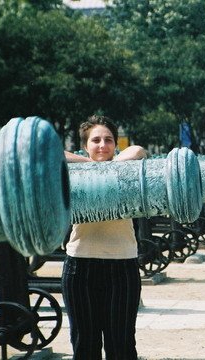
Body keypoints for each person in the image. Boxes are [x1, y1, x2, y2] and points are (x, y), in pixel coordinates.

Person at [62, 115, 147, 360]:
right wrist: (90, 165)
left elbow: (138, 150)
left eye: (108, 140)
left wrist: (108, 167)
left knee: (121, 345)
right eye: (95, 140)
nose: (102, 145)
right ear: (85, 146)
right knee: (85, 345)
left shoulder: (125, 169)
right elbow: (55, 155)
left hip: (122, 266)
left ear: (115, 144)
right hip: (80, 266)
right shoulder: (75, 171)